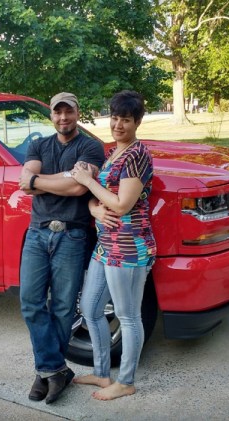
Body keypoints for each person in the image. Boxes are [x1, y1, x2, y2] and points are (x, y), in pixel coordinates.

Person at [18, 92, 105, 404]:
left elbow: (79, 186)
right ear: (51, 116)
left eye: (69, 112)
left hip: (73, 234)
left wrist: (38, 180)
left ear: (77, 113)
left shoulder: (90, 146)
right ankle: (54, 369)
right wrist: (57, 179)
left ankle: (45, 372)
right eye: (58, 113)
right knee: (30, 301)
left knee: (64, 307)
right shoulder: (39, 144)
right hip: (37, 233)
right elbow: (23, 181)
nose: (63, 118)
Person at [70, 90, 156, 401]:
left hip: (130, 249)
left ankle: (127, 380)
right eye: (115, 117)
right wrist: (93, 209)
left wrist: (88, 181)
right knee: (91, 309)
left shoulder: (136, 156)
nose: (118, 125)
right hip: (106, 246)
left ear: (137, 123)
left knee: (129, 315)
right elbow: (102, 199)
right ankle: (103, 374)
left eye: (126, 120)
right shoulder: (114, 153)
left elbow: (121, 205)